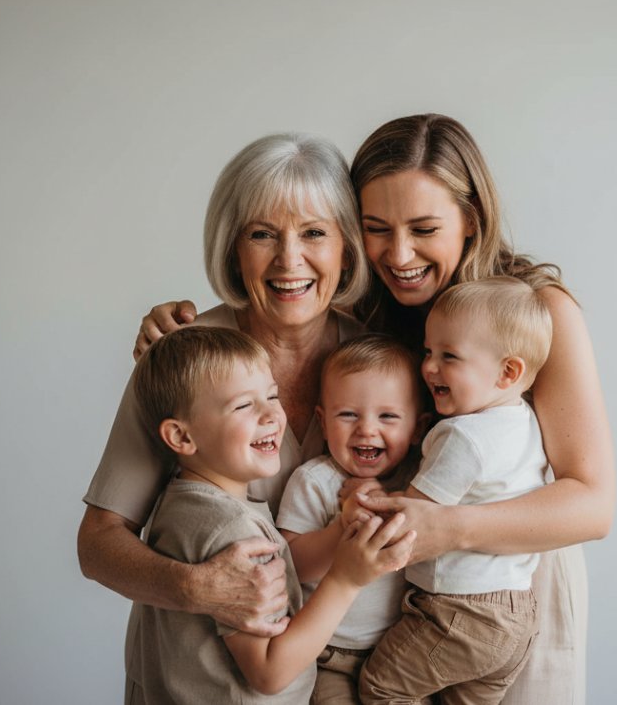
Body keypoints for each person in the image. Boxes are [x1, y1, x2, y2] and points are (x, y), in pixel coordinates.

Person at [135, 113, 615, 705]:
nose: (399, 252)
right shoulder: (368, 315)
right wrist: (174, 329)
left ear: (471, 219)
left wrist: (443, 527)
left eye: (423, 227)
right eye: (376, 228)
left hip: (509, 590)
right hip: (398, 608)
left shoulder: (536, 313)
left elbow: (593, 504)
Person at [77, 132, 387, 703]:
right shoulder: (183, 356)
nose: (289, 259)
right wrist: (196, 586)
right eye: (262, 234)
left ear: (346, 247)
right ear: (232, 250)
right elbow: (97, 543)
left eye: (314, 232)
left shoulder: (381, 361)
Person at [128, 325, 412, 703]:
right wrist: (346, 579)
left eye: (271, 396)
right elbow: (269, 672)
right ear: (182, 437)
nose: (272, 415)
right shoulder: (233, 533)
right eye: (244, 405)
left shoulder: (182, 505)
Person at [359, 277, 553, 704]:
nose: (428, 367)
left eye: (449, 356)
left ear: (508, 371)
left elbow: (412, 519)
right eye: (428, 352)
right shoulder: (523, 422)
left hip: (460, 612)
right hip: (518, 612)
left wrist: (364, 498)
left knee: (380, 688)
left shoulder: (463, 437)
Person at [274, 334, 431, 704]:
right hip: (329, 653)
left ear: (419, 428)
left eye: (388, 416)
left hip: (401, 648)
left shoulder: (420, 484)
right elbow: (290, 563)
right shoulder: (315, 481)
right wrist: (342, 529)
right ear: (323, 421)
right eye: (348, 414)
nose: (367, 429)